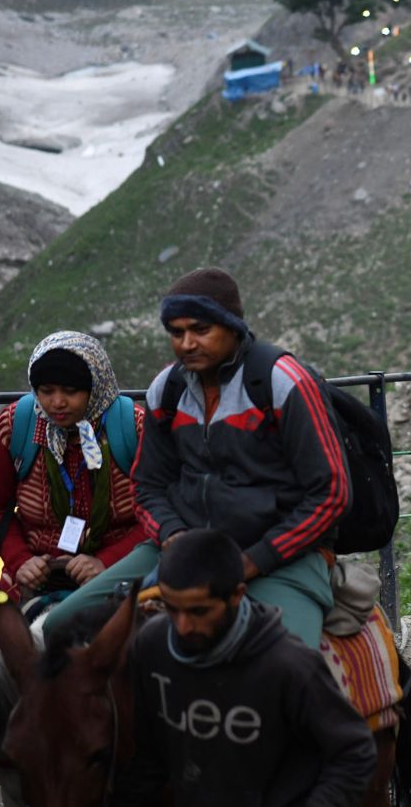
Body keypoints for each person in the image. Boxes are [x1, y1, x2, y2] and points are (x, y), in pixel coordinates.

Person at [46, 268, 348, 648]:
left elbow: (332, 493)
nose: (187, 343)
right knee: (61, 626)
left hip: (282, 555)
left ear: (232, 326)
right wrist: (174, 537)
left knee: (287, 661)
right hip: (185, 550)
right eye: (176, 332)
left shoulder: (284, 382)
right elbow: (148, 485)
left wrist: (253, 560)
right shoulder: (166, 390)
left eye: (200, 330)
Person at [113, 529, 377, 807]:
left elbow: (354, 751)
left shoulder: (287, 664)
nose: (182, 627)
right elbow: (150, 758)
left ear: (237, 595)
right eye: (172, 609)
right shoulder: (152, 646)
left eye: (199, 611)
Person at [0, 332, 148, 602]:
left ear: (95, 388)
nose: (57, 403)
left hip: (119, 570)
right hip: (38, 571)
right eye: (46, 391)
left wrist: (107, 562)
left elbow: (158, 507)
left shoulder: (135, 428)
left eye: (70, 391)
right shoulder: (15, 426)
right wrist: (21, 561)